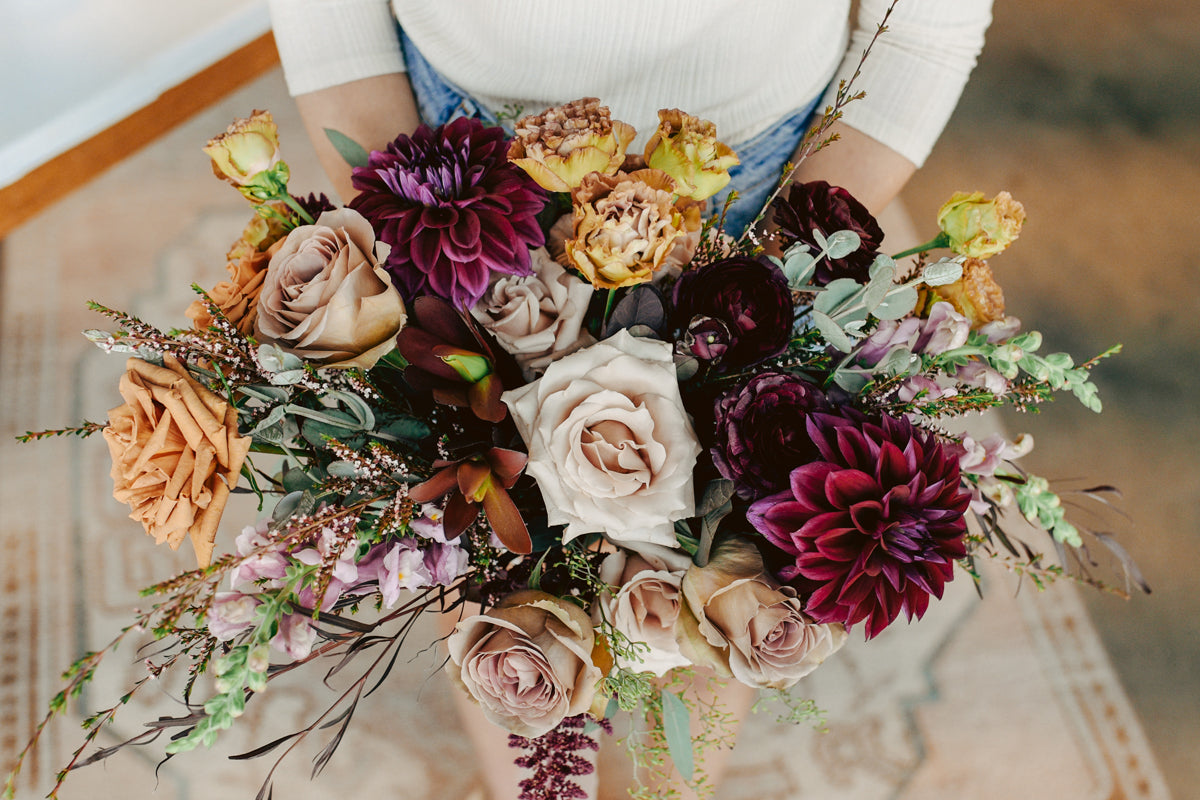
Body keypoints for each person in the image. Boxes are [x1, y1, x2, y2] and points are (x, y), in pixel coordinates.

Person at [266, 2, 994, 797]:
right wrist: (414, 244)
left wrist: (776, 267)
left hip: (759, 183)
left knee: (729, 552)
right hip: (453, 166)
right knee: (474, 516)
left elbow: (929, 26)